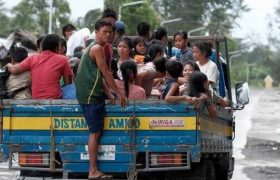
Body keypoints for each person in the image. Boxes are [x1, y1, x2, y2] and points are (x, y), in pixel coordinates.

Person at [74, 19, 125, 180]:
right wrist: (119, 93)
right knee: (94, 134)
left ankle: (94, 169)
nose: (109, 35)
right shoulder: (97, 48)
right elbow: (106, 73)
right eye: (105, 32)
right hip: (91, 96)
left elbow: (97, 76)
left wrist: (110, 95)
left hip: (88, 94)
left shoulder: (94, 47)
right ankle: (93, 171)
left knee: (95, 133)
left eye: (111, 32)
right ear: (97, 33)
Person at [7, 34, 73, 99]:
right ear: (56, 48)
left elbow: (14, 70)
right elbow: (68, 84)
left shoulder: (32, 58)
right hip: (55, 98)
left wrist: (8, 65)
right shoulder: (63, 59)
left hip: (36, 98)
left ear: (42, 47)